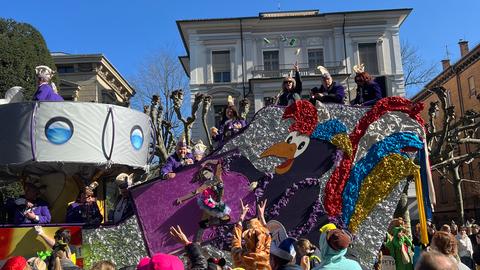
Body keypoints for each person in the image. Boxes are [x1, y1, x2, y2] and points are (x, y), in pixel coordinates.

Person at [175, 159, 231, 241]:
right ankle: (198, 240)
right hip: (209, 203)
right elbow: (195, 192)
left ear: (211, 171)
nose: (206, 175)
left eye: (207, 172)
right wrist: (182, 198)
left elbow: (219, 162)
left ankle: (210, 222)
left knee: (226, 218)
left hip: (218, 202)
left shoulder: (217, 177)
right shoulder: (206, 184)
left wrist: (207, 161)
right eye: (204, 174)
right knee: (204, 222)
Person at [231, 199, 271, 270]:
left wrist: (241, 217)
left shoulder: (240, 257)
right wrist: (262, 216)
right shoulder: (268, 258)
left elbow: (236, 241)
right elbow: (268, 237)